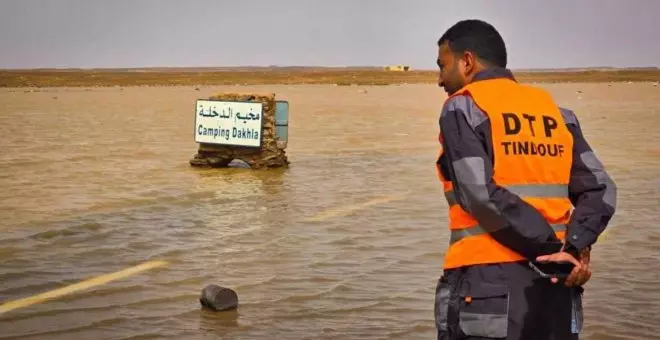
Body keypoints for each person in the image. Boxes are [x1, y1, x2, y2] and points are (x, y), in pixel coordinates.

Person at [433, 19, 617, 340]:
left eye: (442, 66)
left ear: (467, 62)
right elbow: (601, 190)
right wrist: (571, 249)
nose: (439, 79)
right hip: (558, 284)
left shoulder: (463, 107)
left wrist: (548, 249)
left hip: (488, 282)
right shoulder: (558, 114)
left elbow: (479, 194)